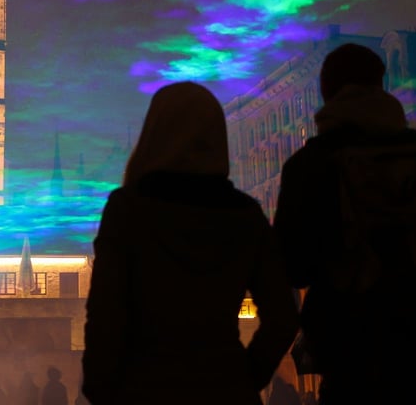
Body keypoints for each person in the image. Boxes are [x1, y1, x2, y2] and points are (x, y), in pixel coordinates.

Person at [274, 43, 416, 405]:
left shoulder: (308, 166)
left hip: (347, 346)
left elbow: (292, 267)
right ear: (381, 85)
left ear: (325, 93)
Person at [82, 82, 299, 404]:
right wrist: (245, 376)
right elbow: (282, 317)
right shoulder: (246, 214)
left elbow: (104, 315)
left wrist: (103, 389)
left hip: (146, 388)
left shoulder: (127, 209)